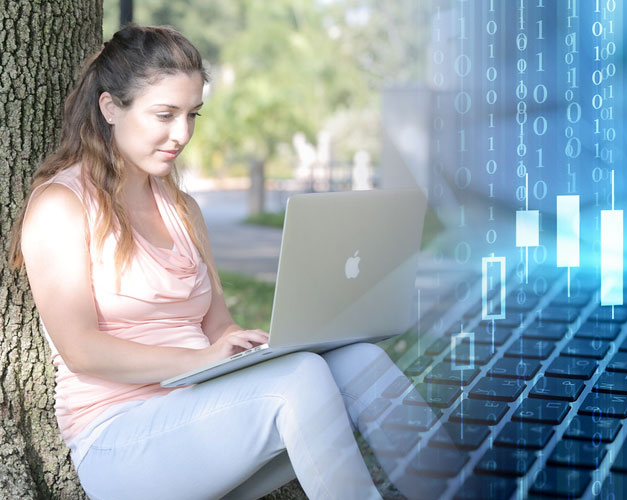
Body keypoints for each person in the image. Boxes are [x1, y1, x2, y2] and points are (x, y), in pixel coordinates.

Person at [10, 25, 392, 499]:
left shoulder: (183, 209)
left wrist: (253, 347)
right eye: (165, 115)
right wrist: (200, 359)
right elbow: (81, 350)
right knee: (300, 379)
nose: (182, 134)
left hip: (203, 411)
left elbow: (218, 328)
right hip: (118, 440)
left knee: (362, 362)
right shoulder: (61, 205)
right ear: (111, 108)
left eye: (193, 115)